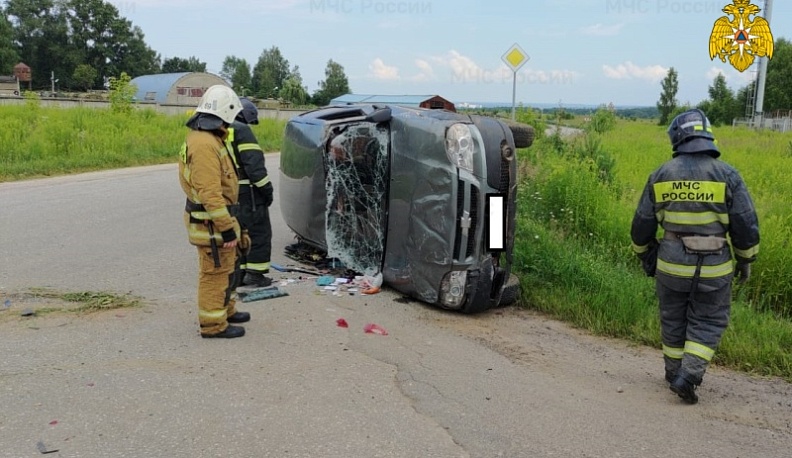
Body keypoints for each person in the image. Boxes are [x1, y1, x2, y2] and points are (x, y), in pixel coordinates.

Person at [631, 109, 759, 404]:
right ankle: (688, 376)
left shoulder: (661, 175)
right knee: (709, 320)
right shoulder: (728, 175)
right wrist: (745, 260)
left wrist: (644, 255)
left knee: (672, 318)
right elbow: (745, 225)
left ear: (677, 137)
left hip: (671, 266)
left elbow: (641, 226)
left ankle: (673, 372)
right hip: (715, 269)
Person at [179, 85, 251, 339]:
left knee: (228, 267)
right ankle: (213, 325)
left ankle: (226, 310)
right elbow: (210, 193)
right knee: (215, 272)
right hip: (210, 222)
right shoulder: (204, 144)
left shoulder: (208, 138)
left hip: (216, 219)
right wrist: (227, 228)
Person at [226, 97, 275, 287]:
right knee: (259, 233)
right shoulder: (241, 130)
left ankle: (239, 274)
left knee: (239, 233)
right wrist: (267, 191)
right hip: (249, 193)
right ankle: (255, 274)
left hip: (229, 192)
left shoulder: (217, 129)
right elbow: (254, 167)